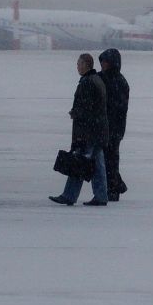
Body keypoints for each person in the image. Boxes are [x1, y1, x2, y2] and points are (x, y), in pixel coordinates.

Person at [51, 52, 110, 206]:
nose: (77, 66)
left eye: (79, 63)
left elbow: (86, 110)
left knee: (79, 163)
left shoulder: (87, 82)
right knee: (96, 165)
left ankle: (70, 195)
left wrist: (77, 118)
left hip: (90, 132)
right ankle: (101, 195)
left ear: (86, 65)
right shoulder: (96, 80)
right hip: (98, 131)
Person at [97, 47, 127, 201]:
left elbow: (118, 107)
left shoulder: (118, 81)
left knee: (110, 159)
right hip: (108, 126)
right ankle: (117, 184)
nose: (103, 65)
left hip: (113, 127)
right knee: (108, 158)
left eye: (105, 62)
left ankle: (114, 187)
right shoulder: (103, 78)